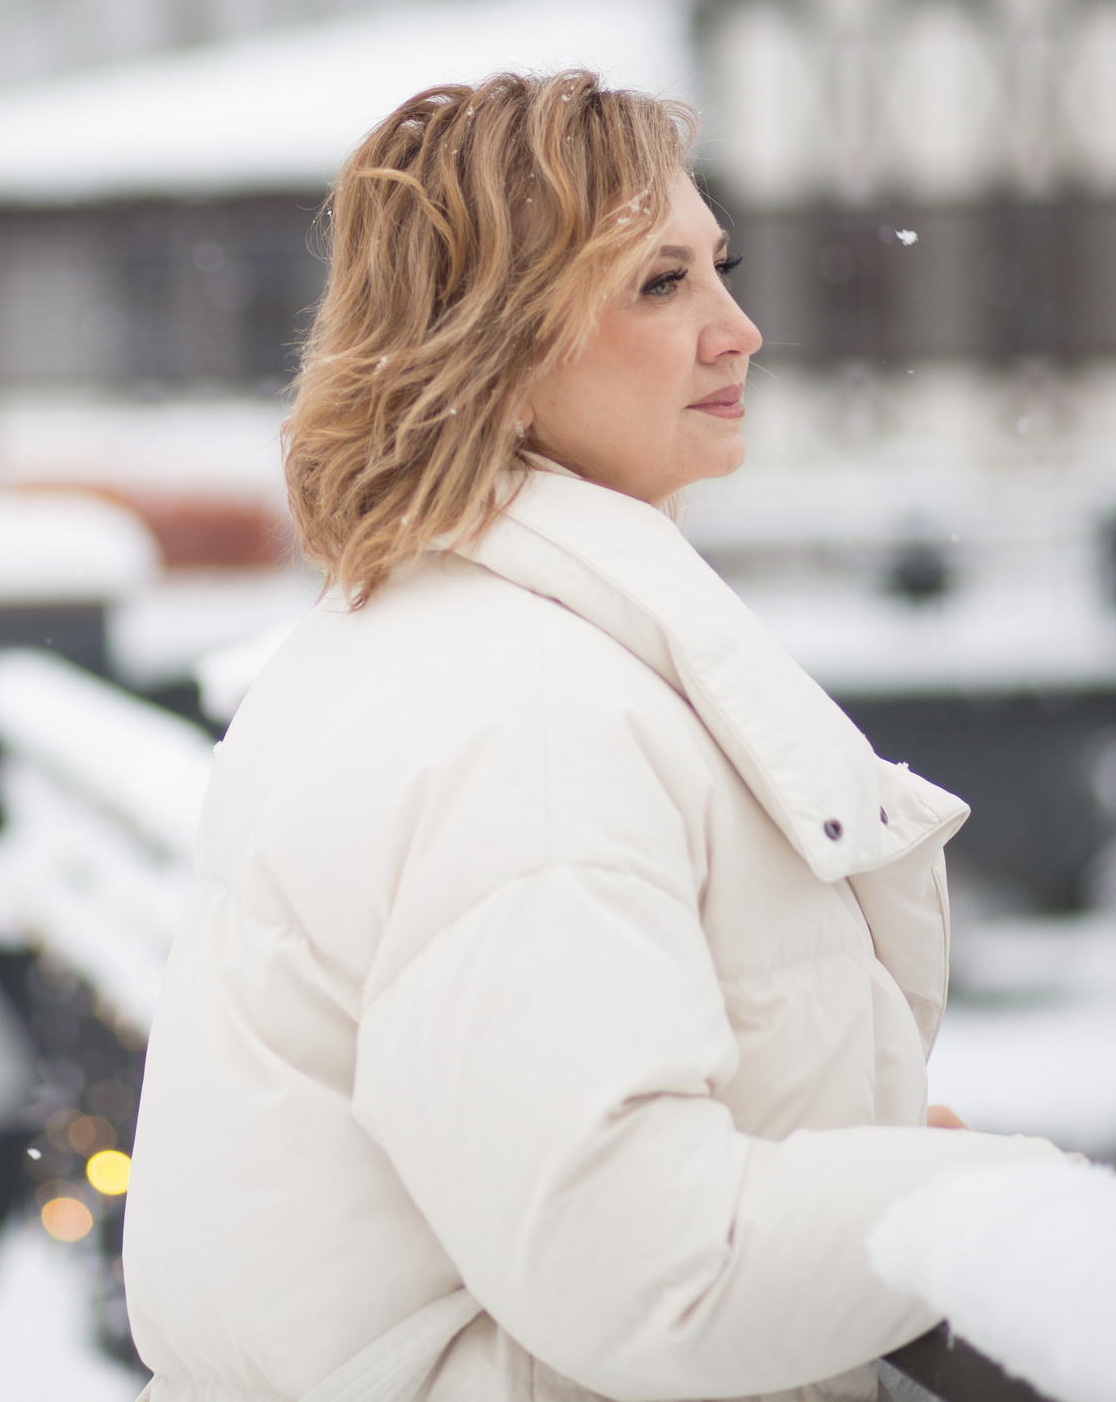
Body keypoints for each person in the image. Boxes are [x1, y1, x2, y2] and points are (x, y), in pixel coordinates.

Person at [121, 71, 1063, 1402]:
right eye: (660, 285)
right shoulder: (535, 718)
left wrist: (858, 1158)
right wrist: (999, 1198)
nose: (739, 329)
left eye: (720, 269)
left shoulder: (418, 627)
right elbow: (647, 1269)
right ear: (493, 347)